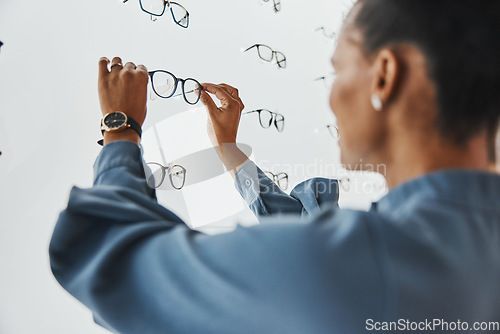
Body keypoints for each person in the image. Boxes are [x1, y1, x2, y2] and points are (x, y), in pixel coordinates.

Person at [49, 1, 500, 333]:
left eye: (339, 69)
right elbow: (307, 247)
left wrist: (121, 128)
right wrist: (229, 150)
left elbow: (114, 263)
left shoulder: (357, 265)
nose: (331, 97)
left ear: (384, 74)